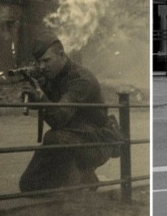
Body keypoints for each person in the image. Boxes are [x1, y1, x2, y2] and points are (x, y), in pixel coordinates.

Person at [18, 34, 114, 192]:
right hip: (72, 139)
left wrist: (41, 99)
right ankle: (83, 176)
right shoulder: (52, 76)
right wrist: (37, 98)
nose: (41, 67)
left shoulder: (81, 80)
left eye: (46, 60)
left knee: (53, 138)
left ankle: (78, 181)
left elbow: (58, 118)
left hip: (97, 143)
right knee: (29, 185)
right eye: (38, 62)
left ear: (61, 55)